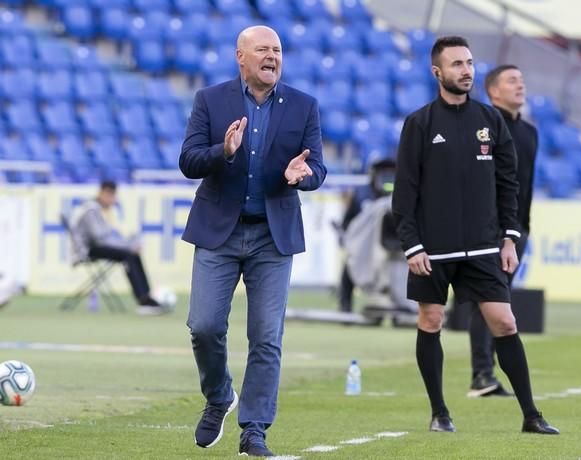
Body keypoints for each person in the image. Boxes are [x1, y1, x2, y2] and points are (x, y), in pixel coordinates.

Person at [392, 36, 558, 435]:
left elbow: (509, 183)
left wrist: (509, 238)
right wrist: (413, 245)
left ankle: (531, 415)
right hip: (433, 250)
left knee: (504, 322)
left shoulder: (490, 120)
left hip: (485, 246)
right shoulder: (419, 123)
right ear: (437, 72)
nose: (466, 70)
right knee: (431, 320)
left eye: (469, 63)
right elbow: (404, 191)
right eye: (456, 65)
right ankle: (439, 412)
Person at [179, 25, 327, 457]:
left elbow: (317, 167)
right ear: (240, 57)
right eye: (262, 49)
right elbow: (188, 160)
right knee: (203, 326)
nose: (272, 56)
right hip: (218, 232)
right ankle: (220, 395)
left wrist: (306, 176)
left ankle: (254, 429)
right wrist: (222, 152)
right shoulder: (210, 100)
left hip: (272, 236)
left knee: (266, 337)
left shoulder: (304, 106)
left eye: (277, 50)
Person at [464, 64, 538, 398]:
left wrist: (523, 227)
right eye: (512, 80)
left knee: (498, 297)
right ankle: (482, 374)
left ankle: (486, 373)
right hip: (486, 228)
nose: (520, 85)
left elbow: (525, 186)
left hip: (516, 229)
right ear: (493, 90)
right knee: (490, 298)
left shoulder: (529, 132)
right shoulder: (481, 126)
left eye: (522, 80)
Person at [71, 180, 164, 315]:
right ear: (104, 193)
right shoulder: (90, 210)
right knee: (129, 255)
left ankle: (147, 297)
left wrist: (128, 245)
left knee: (132, 254)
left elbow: (106, 238)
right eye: (112, 196)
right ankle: (143, 300)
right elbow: (100, 239)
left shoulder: (96, 209)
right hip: (87, 250)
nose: (113, 201)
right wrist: (128, 246)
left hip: (95, 246)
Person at [337, 156, 397, 312]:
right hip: (365, 247)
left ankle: (401, 306)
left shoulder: (402, 194)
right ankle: (345, 308)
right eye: (384, 173)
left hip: (394, 248)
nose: (387, 177)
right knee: (349, 267)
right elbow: (348, 221)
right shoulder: (362, 193)